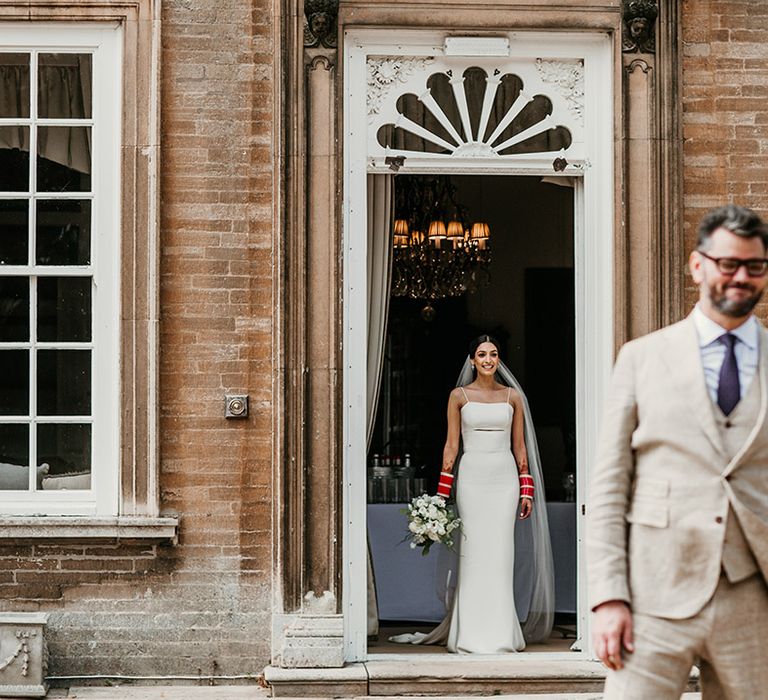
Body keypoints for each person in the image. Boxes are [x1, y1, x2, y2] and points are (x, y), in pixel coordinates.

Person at [588, 204, 768, 699]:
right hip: (652, 597)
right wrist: (608, 598)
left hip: (755, 598)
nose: (741, 277)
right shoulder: (641, 358)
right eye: (728, 264)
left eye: (755, 267)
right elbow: (608, 488)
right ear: (697, 265)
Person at [391, 334, 554, 652]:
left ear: (499, 359)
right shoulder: (459, 396)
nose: (488, 359)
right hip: (472, 479)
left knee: (501, 555)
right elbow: (451, 447)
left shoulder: (512, 398)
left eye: (494, 354)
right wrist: (441, 496)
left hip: (504, 479)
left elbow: (520, 448)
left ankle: (501, 634)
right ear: (472, 360)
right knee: (474, 555)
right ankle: (469, 635)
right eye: (482, 354)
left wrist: (526, 490)